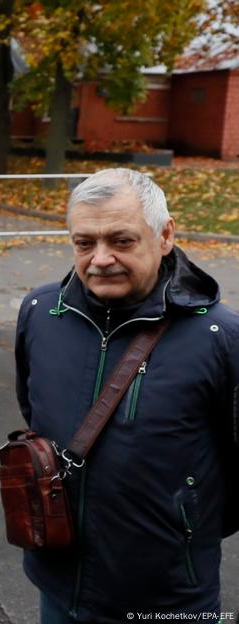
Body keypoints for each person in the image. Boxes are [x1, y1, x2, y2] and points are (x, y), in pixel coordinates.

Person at [14, 168, 239, 623]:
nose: (100, 259)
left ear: (164, 236)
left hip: (169, 601)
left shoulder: (220, 337)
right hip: (57, 586)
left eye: (121, 241)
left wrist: (185, 523)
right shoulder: (40, 313)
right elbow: (33, 408)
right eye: (84, 243)